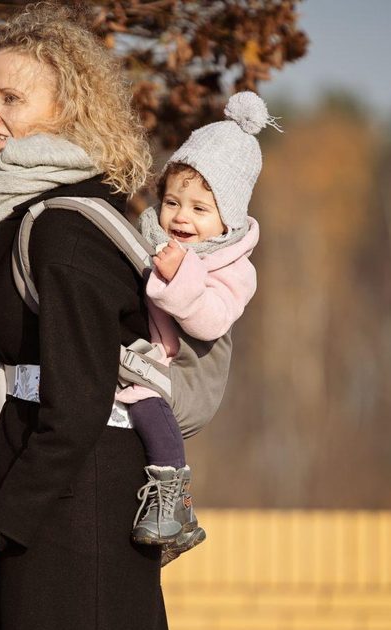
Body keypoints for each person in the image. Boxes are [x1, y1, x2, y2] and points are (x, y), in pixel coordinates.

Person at [0, 4, 175, 630]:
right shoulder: (22, 215)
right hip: (32, 492)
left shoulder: (65, 231)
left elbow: (79, 405)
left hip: (74, 516)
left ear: (67, 110)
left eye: (11, 98)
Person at [117, 92, 273, 565]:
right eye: (172, 202)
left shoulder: (234, 268)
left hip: (193, 377)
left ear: (227, 219)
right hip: (157, 361)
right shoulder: (154, 240)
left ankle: (175, 500)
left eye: (200, 209)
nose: (181, 217)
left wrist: (177, 276)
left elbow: (210, 319)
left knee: (144, 399)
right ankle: (161, 523)